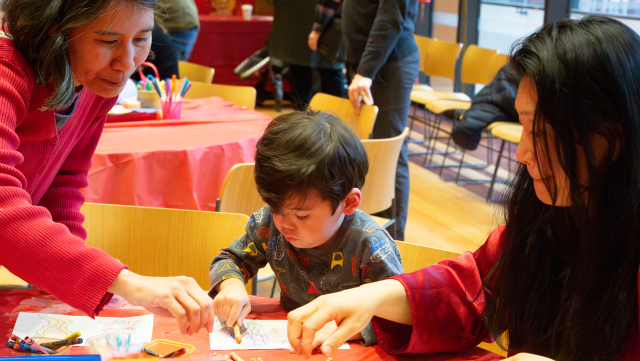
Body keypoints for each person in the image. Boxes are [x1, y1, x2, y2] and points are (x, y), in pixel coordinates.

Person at [286, 16, 640, 360]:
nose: (522, 152)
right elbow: (471, 289)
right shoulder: (548, 220)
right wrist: (375, 296)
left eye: (543, 133)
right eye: (523, 126)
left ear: (615, 133)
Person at [0, 0, 213, 335]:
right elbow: (2, 208)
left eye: (142, 39)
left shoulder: (94, 79)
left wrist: (58, 290)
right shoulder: (5, 70)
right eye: (108, 41)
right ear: (54, 30)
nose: (127, 63)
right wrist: (124, 282)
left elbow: (61, 185)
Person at [209, 111, 404, 346]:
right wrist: (232, 286)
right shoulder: (268, 224)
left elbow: (400, 314)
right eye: (275, 208)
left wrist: (348, 328)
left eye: (301, 215)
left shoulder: (370, 244)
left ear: (348, 203)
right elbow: (230, 259)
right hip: (289, 343)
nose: (284, 224)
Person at [315, 0, 419, 240]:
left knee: (389, 152)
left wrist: (365, 72)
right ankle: (367, 235)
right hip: (366, 66)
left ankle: (393, 241)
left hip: (388, 66)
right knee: (358, 151)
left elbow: (390, 18)